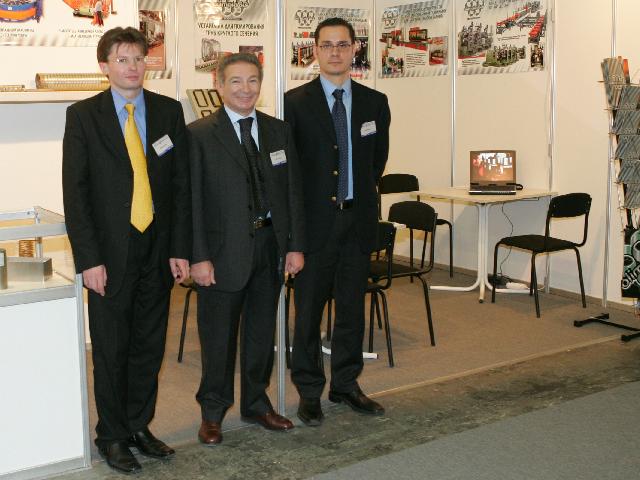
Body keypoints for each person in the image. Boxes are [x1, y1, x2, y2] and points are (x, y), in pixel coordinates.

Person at [62, 27, 191, 474]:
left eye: (138, 58)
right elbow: (76, 193)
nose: (132, 67)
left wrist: (180, 247)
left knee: (148, 346)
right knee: (112, 348)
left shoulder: (169, 111)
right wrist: (89, 260)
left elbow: (180, 186)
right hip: (109, 255)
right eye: (122, 59)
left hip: (158, 248)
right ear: (104, 66)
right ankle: (112, 435)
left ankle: (138, 425)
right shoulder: (83, 116)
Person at [189, 53, 305, 445]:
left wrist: (294, 246)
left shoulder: (278, 131)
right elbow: (192, 202)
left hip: (270, 247)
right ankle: (212, 412)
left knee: (260, 334)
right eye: (236, 81)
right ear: (218, 84)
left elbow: (292, 193)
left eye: (253, 80)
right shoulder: (199, 134)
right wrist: (198, 257)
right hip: (221, 254)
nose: (245, 89)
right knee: (218, 338)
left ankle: (256, 403)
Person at [284, 17, 391, 426]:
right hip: (314, 228)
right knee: (308, 314)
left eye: (342, 45)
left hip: (356, 222)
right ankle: (309, 391)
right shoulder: (294, 103)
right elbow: (291, 171)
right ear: (315, 51)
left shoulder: (374, 102)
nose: (335, 52)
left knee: (351, 311)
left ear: (354, 50)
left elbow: (376, 162)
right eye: (326, 45)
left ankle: (346, 384)